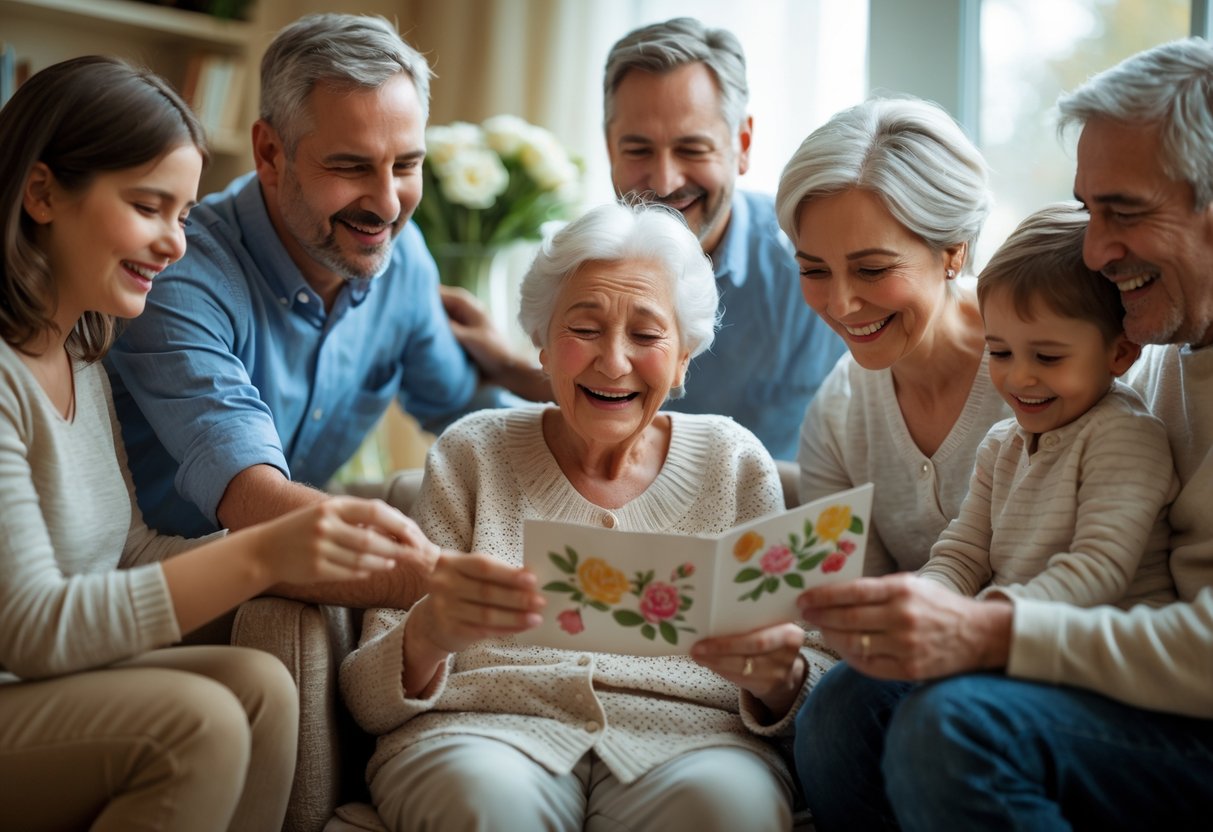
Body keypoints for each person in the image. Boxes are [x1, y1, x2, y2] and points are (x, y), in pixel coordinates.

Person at [0, 56, 431, 831]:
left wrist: (321, 563)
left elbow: (127, 551)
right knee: (197, 720)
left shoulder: (81, 357)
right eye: (148, 207)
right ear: (41, 193)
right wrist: (264, 552)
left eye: (185, 214)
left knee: (260, 685)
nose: (175, 246)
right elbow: (33, 628)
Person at [793, 38, 1213, 831]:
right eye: (1088, 211)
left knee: (951, 729)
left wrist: (987, 629)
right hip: (1129, 683)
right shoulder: (1153, 350)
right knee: (848, 703)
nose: (1094, 252)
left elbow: (1109, 573)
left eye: (1122, 212)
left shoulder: (1111, 391)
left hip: (1176, 700)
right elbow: (963, 546)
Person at [340, 202, 837, 832]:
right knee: (486, 800)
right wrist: (429, 633)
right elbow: (364, 695)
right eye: (584, 328)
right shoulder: (473, 452)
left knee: (727, 808)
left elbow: (816, 685)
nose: (614, 361)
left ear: (684, 357)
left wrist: (781, 678)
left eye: (648, 335)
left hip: (696, 742)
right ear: (542, 345)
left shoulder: (733, 462)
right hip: (484, 733)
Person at [104, 13, 539, 608]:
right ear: (269, 152)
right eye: (351, 165)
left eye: (406, 164)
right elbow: (254, 499)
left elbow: (469, 416)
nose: (387, 204)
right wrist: (454, 582)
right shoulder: (179, 275)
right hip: (157, 583)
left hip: (285, 564)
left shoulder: (401, 259)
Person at [773, 96, 1010, 578]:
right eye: (814, 270)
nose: (839, 305)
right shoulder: (839, 411)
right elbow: (848, 600)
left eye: (872, 269)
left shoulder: (1053, 368)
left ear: (953, 252)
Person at [919, 203, 1176, 609]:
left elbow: (1097, 570)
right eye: (1000, 352)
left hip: (1085, 656)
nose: (1019, 378)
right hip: (998, 638)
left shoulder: (1125, 436)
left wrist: (978, 620)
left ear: (1121, 354)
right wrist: (922, 600)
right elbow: (961, 555)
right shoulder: (1002, 445)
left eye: (1048, 358)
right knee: (857, 673)